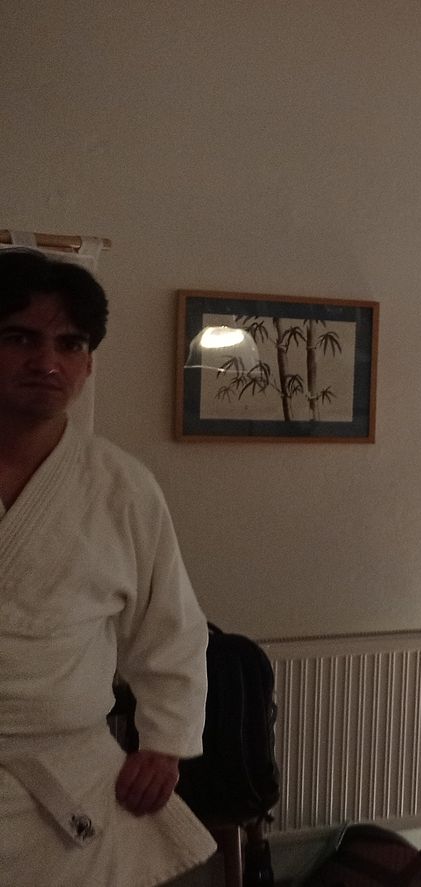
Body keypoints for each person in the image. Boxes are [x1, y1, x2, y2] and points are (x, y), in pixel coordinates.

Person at [0, 248, 215, 885]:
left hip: (69, 769)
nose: (47, 362)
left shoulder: (123, 487)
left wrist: (165, 743)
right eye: (20, 338)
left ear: (88, 363)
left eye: (70, 344)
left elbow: (170, 627)